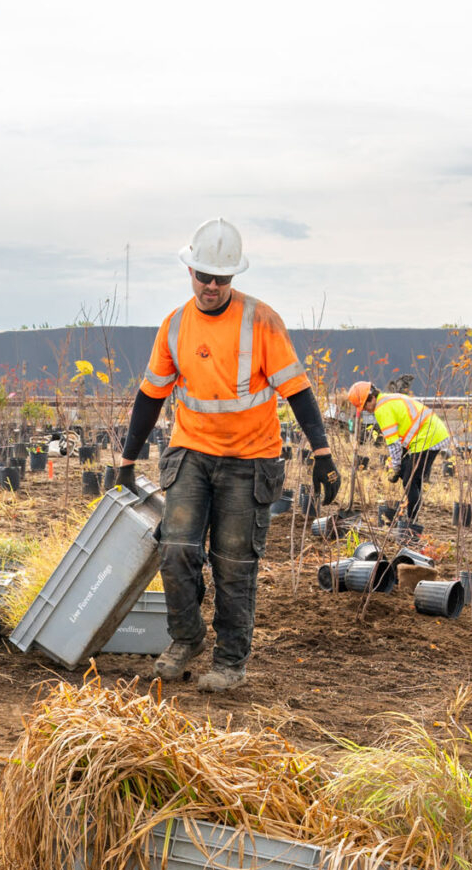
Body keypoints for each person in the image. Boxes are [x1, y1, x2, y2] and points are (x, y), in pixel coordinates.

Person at [115, 218, 339, 693]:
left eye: (222, 278)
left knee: (235, 564)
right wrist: (127, 459)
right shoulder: (175, 325)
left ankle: (231, 660)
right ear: (190, 271)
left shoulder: (262, 320)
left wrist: (321, 451)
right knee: (176, 549)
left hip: (251, 460)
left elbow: (297, 390)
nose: (212, 286)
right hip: (191, 452)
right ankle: (186, 638)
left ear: (233, 278)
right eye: (204, 276)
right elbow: (150, 396)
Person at [344, 381, 448, 521]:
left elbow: (393, 443)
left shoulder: (382, 410)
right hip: (430, 433)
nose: (365, 410)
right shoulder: (388, 399)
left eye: (364, 406)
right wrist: (398, 465)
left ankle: (411, 522)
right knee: (410, 476)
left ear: (372, 398)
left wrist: (395, 467)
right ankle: (412, 515)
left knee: (409, 480)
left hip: (428, 437)